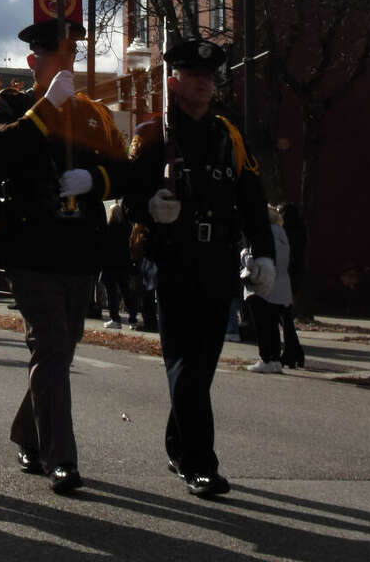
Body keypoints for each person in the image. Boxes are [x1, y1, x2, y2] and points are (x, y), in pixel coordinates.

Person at [0, 17, 129, 497]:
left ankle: (28, 430)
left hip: (79, 249)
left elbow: (122, 171)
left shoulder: (93, 115)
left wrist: (97, 181)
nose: (63, 66)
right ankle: (60, 458)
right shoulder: (10, 103)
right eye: (53, 58)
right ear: (32, 63)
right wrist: (47, 107)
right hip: (31, 246)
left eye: (69, 58)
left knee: (61, 349)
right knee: (49, 343)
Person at [124, 37, 274, 499]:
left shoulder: (229, 135)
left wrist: (264, 251)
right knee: (184, 363)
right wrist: (150, 207)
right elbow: (128, 199)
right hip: (172, 261)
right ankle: (199, 463)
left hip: (218, 262)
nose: (205, 83)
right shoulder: (153, 135)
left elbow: (251, 198)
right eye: (195, 76)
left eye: (210, 77)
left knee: (201, 366)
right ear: (175, 81)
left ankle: (177, 444)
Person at [244, 205, 303, 371]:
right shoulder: (282, 234)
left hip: (263, 285)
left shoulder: (262, 234)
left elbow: (253, 259)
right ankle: (275, 359)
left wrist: (244, 255)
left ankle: (266, 359)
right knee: (273, 324)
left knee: (263, 325)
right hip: (282, 285)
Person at [99, 202, 140, 330]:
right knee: (126, 293)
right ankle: (133, 319)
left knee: (112, 294)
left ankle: (115, 319)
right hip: (124, 265)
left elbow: (103, 248)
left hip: (109, 265)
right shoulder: (127, 228)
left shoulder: (108, 228)